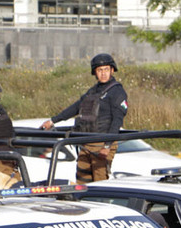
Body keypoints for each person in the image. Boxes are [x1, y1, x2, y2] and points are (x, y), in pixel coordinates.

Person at [41, 53, 129, 182]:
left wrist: (107, 146)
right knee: (82, 180)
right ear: (95, 73)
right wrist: (53, 120)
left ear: (112, 70)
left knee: (100, 181)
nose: (103, 73)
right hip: (86, 142)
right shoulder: (93, 91)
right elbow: (76, 107)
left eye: (106, 69)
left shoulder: (117, 92)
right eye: (100, 70)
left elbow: (117, 120)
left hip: (103, 142)